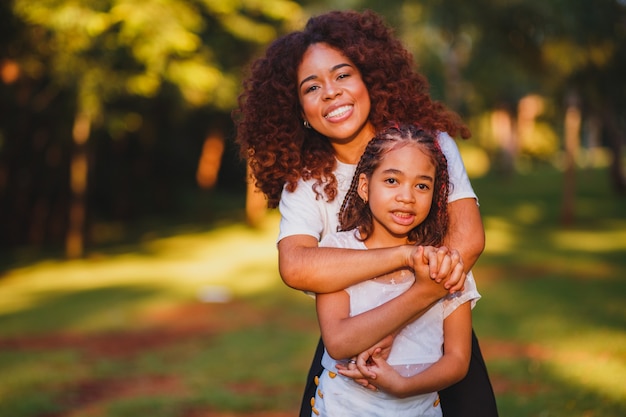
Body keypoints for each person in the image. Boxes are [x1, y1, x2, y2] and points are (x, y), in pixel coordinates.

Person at [233, 9, 498, 417]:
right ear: (300, 109)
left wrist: (405, 309)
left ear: (368, 79)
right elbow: (297, 265)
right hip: (352, 348)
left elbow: (468, 240)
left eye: (343, 75)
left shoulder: (429, 146)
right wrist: (404, 259)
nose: (331, 92)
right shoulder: (304, 180)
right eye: (311, 87)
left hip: (436, 338)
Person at [314, 123, 481, 416]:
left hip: (420, 409)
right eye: (392, 181)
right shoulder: (338, 252)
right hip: (345, 408)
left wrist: (404, 385)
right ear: (365, 187)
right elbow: (339, 342)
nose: (407, 196)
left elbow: (457, 359)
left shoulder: (445, 262)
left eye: (421, 185)